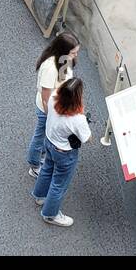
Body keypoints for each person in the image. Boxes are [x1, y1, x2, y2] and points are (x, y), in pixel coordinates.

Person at [32, 78, 90, 227]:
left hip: (49, 142)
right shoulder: (78, 119)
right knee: (59, 183)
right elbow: (87, 138)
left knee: (46, 169)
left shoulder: (52, 98)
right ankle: (50, 214)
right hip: (65, 153)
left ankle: (39, 196)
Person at [27, 33, 79, 178]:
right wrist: (53, 117)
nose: (75, 56)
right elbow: (45, 98)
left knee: (44, 135)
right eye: (73, 52)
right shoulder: (50, 68)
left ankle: (41, 156)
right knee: (40, 135)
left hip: (57, 108)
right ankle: (34, 164)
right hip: (47, 111)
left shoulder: (63, 60)